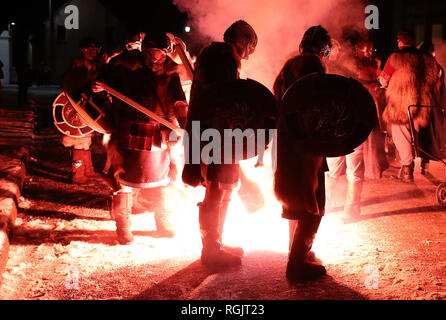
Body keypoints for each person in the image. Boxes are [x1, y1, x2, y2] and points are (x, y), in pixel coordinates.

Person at [182, 20, 258, 270]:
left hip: (216, 133)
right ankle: (211, 250)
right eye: (248, 48)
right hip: (214, 134)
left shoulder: (216, 56)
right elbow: (222, 101)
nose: (246, 55)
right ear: (244, 42)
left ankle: (217, 243)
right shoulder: (222, 58)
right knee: (215, 190)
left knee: (224, 189)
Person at [103, 32, 188, 244]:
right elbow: (105, 85)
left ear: (166, 54)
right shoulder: (125, 67)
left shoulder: (171, 71)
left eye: (159, 54)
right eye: (151, 53)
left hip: (162, 128)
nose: (154, 58)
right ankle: (123, 225)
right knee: (123, 176)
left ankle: (163, 220)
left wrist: (185, 122)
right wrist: (99, 86)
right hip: (129, 126)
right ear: (143, 51)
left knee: (166, 176)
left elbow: (178, 100)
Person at [273, 25, 332, 282]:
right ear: (323, 49)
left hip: (286, 142)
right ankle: (297, 263)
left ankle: (295, 253)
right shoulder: (312, 65)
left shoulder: (288, 66)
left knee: (294, 201)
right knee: (313, 202)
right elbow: (315, 104)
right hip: (306, 143)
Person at [379, 31, 443, 183]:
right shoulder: (426, 58)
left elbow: (383, 80)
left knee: (400, 135)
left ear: (399, 42)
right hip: (421, 105)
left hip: (400, 105)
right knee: (413, 136)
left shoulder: (395, 57)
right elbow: (437, 76)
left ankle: (407, 169)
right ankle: (408, 167)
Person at [61, 37, 107, 184]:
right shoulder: (78, 66)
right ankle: (78, 174)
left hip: (89, 107)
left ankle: (88, 169)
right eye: (89, 49)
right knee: (79, 141)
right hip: (77, 108)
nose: (92, 52)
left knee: (86, 140)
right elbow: (71, 86)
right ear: (82, 50)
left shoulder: (96, 65)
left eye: (95, 49)